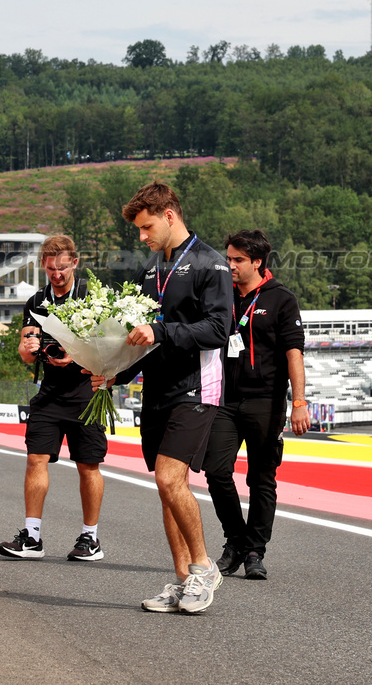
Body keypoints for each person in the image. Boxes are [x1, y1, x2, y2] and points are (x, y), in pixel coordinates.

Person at [89, 181, 231, 614]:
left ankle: (204, 568)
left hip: (195, 387)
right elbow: (142, 339)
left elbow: (218, 330)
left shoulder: (212, 264)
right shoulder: (151, 271)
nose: (142, 237)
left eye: (147, 227)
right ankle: (184, 579)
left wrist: (161, 329)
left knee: (171, 478)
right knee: (167, 490)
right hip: (156, 391)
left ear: (170, 215)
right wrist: (115, 372)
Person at [202, 230, 308, 581]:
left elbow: (294, 354)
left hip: (267, 400)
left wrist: (299, 402)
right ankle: (235, 540)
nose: (229, 265)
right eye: (227, 258)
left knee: (262, 479)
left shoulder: (281, 299)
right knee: (216, 470)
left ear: (257, 262)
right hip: (226, 400)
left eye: (237, 260)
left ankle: (254, 552)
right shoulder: (222, 295)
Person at [0, 235, 107, 562]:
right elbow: (27, 349)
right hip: (50, 392)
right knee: (36, 458)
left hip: (87, 391)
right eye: (50, 269)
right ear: (42, 266)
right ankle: (32, 537)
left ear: (75, 263)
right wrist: (26, 350)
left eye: (62, 268)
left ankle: (91, 538)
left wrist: (74, 357)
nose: (56, 274)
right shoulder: (36, 301)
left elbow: (109, 345)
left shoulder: (93, 297)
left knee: (88, 465)